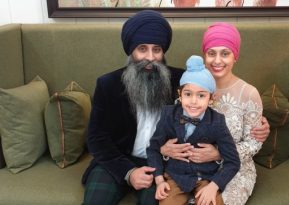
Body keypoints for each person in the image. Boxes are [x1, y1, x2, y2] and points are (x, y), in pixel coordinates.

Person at [82, 10, 269, 205]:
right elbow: (96, 138)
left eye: (157, 49)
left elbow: (210, 108)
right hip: (116, 161)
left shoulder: (182, 82)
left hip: (161, 165)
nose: (150, 57)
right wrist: (129, 172)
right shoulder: (107, 84)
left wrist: (261, 125)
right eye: (142, 49)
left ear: (163, 52)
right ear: (131, 51)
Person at [161, 22, 263, 205]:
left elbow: (254, 142)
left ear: (235, 56)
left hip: (234, 168)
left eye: (225, 53)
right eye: (211, 53)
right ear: (204, 55)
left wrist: (219, 154)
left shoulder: (249, 93)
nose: (217, 60)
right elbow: (174, 126)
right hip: (190, 168)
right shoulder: (191, 86)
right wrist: (166, 150)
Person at [147, 55, 240, 205]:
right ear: (180, 95)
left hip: (206, 178)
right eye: (188, 94)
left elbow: (233, 161)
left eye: (201, 95)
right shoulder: (168, 115)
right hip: (175, 176)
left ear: (211, 98)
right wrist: (159, 180)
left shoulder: (217, 121)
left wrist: (214, 186)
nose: (193, 101)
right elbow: (153, 149)